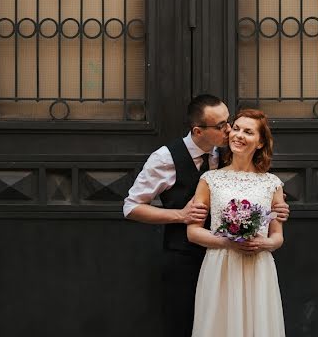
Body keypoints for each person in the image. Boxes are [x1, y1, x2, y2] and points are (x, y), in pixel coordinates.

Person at [123, 95, 289, 337]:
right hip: (185, 257)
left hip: (239, 262)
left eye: (228, 122)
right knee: (191, 326)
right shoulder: (165, 158)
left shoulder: (226, 152)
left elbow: (256, 191)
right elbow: (131, 206)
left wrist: (277, 208)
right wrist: (180, 215)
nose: (230, 130)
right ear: (198, 131)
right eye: (221, 126)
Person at [187, 109, 287, 337]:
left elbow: (277, 236)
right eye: (237, 129)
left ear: (260, 142)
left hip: (258, 266)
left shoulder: (272, 184)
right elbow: (193, 232)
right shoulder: (210, 179)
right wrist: (229, 243)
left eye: (248, 132)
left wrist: (265, 244)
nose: (239, 135)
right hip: (221, 265)